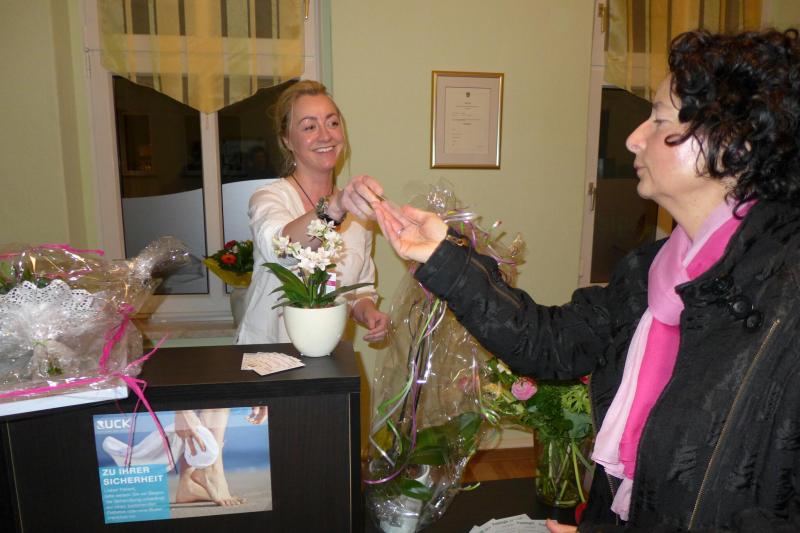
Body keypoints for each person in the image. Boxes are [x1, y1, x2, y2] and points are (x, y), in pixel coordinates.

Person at [364, 28, 800, 532]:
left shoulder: (784, 296)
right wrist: (442, 257)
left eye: (659, 119)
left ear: (732, 143)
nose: (634, 138)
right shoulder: (651, 271)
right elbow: (550, 343)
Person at [236, 80, 389, 345]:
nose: (326, 135)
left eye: (332, 123)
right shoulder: (270, 198)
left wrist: (369, 313)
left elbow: (358, 291)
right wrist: (334, 207)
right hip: (268, 356)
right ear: (287, 140)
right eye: (309, 127)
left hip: (329, 356)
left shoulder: (357, 213)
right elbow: (281, 248)